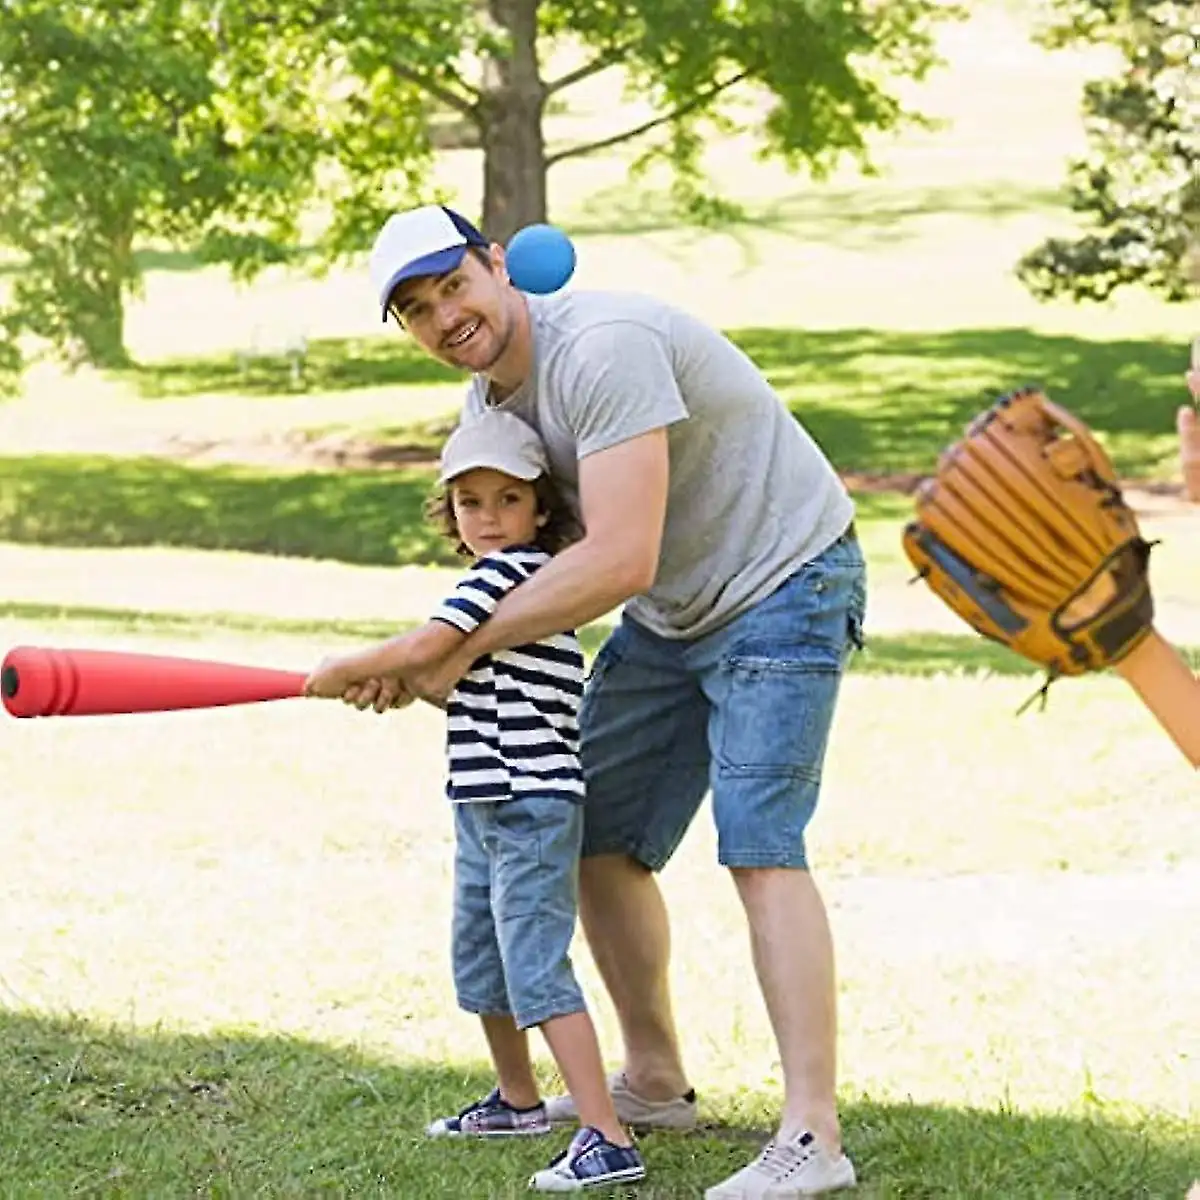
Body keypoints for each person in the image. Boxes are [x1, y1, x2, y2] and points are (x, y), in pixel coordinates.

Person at [337, 201, 867, 1199]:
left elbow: (616, 559)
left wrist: (436, 649)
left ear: (496, 265)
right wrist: (441, 665)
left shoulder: (604, 347)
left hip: (786, 581)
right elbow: (527, 579)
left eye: (454, 284)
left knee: (760, 845)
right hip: (673, 616)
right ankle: (656, 1079)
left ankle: (812, 1136)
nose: (446, 317)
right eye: (417, 308)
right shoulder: (489, 415)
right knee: (592, 834)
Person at [304, 409, 648, 1193]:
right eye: (470, 502)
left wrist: (343, 668)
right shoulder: (496, 592)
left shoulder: (512, 576)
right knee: (483, 955)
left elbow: (428, 651)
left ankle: (606, 1134)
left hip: (529, 802)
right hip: (485, 799)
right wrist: (396, 687)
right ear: (450, 512)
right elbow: (453, 686)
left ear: (541, 511)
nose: (489, 519)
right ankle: (519, 1100)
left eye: (508, 500)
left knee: (533, 964)